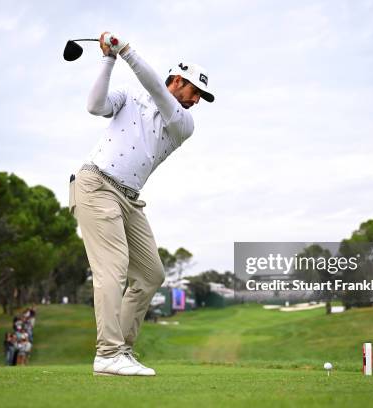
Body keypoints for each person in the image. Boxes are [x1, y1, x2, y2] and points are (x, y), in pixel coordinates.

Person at [70, 31, 213, 377]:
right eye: (195, 91)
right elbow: (94, 106)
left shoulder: (183, 122)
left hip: (129, 200)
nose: (196, 100)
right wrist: (108, 59)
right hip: (95, 184)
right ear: (178, 80)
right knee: (112, 270)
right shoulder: (131, 96)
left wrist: (126, 51)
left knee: (151, 275)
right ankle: (107, 354)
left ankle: (123, 351)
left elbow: (157, 91)